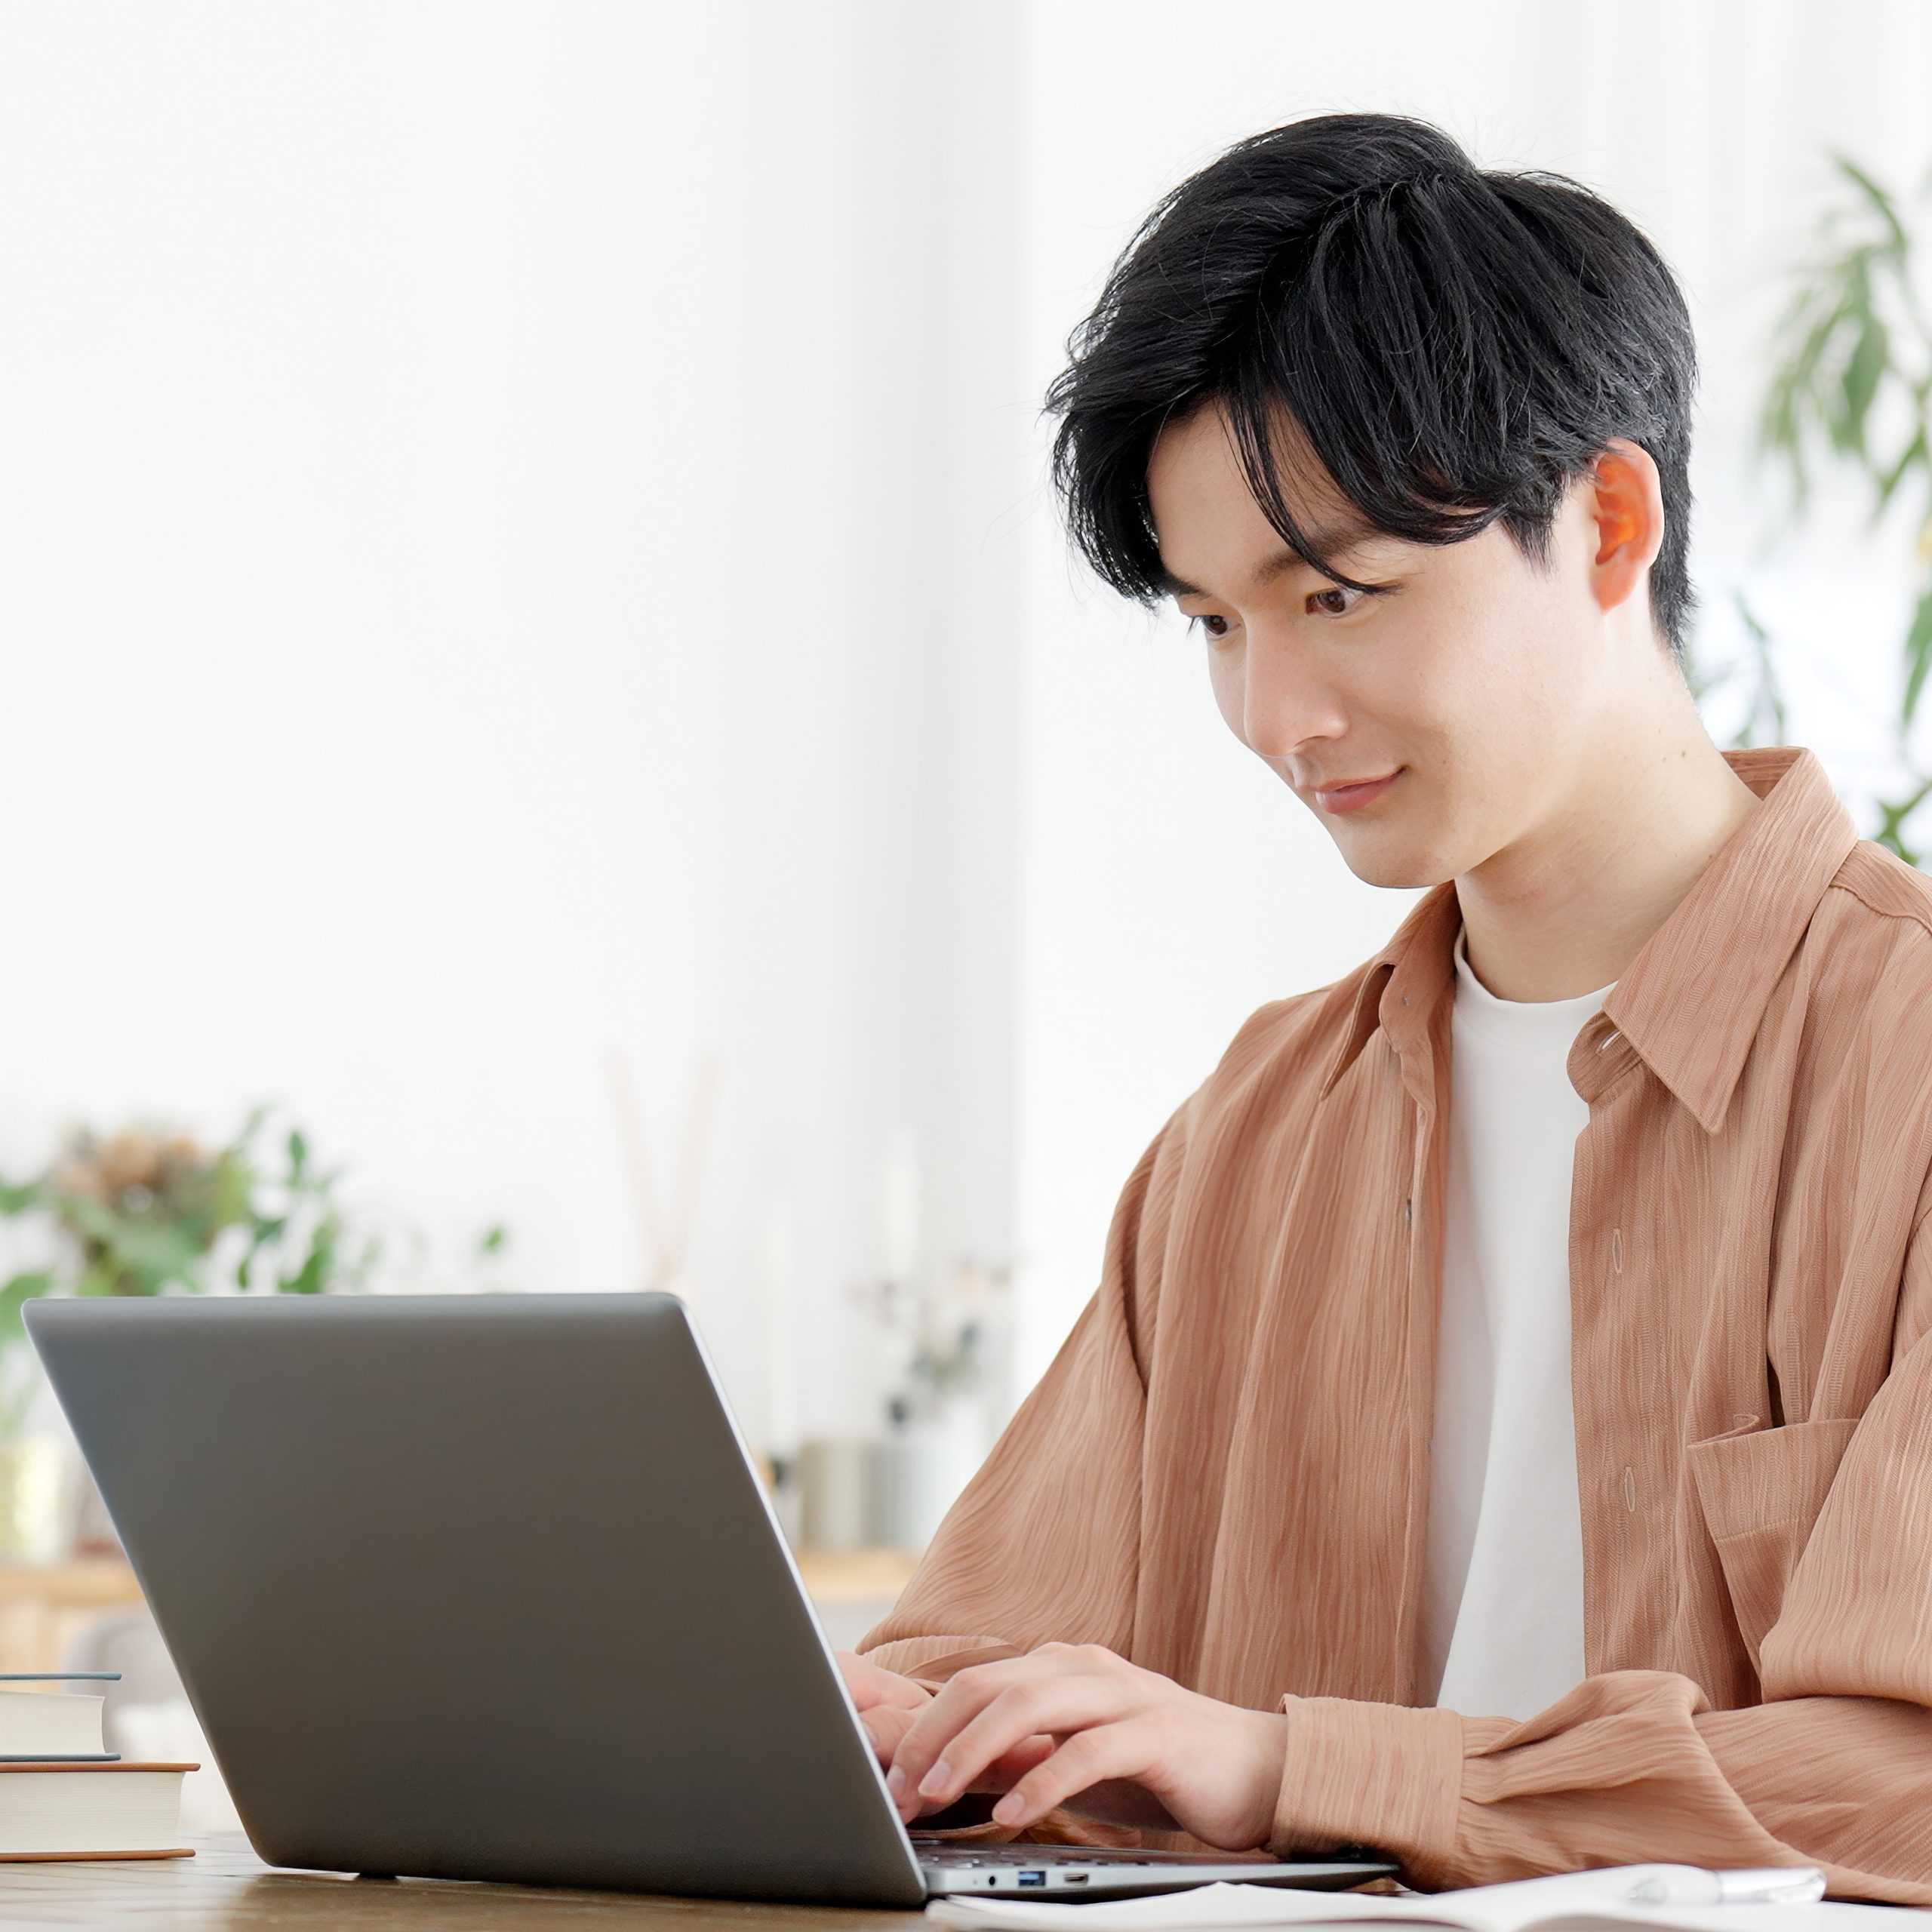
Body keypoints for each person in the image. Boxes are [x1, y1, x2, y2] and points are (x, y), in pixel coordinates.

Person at [826, 109, 1932, 1902]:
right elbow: (996, 1672)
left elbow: (1904, 1788)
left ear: (1604, 520)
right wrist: (893, 1726)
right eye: (1213, 623)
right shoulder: (1258, 1122)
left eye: (1337, 594)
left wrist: (1294, 1764)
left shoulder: (1903, 1071)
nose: (1278, 715)